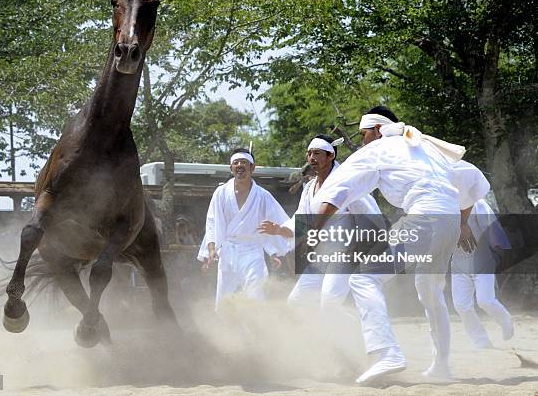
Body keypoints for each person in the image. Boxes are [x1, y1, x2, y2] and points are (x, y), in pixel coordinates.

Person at [312, 105, 473, 383]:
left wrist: (313, 231)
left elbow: (340, 189)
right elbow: (468, 184)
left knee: (363, 280)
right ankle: (442, 367)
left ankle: (388, 353)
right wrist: (463, 222)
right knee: (432, 295)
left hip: (425, 218)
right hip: (449, 222)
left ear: (376, 130)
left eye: (363, 134)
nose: (362, 141)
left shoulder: (378, 149)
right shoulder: (423, 145)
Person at [258, 134, 384, 308]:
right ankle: (311, 335)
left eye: (317, 153)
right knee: (296, 302)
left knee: (329, 301)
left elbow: (370, 215)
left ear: (331, 155)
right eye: (309, 154)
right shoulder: (310, 187)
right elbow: (302, 222)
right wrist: (279, 230)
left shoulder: (346, 181)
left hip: (344, 254)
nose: (311, 158)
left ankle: (351, 332)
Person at [197, 149, 291, 310]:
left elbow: (274, 222)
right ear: (231, 168)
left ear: (252, 167)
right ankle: (225, 331)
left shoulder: (263, 196)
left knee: (255, 295)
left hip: (252, 252)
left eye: (244, 162)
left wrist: (273, 252)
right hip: (228, 251)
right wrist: (211, 251)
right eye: (236, 163)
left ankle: (256, 331)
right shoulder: (221, 193)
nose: (239, 165)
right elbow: (212, 222)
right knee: (224, 297)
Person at [451, 198, 514, 348]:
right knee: (461, 305)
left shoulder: (478, 203)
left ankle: (505, 320)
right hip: (458, 264)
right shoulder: (440, 204)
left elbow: (492, 227)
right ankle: (481, 340)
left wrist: (501, 252)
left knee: (485, 301)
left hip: (481, 260)